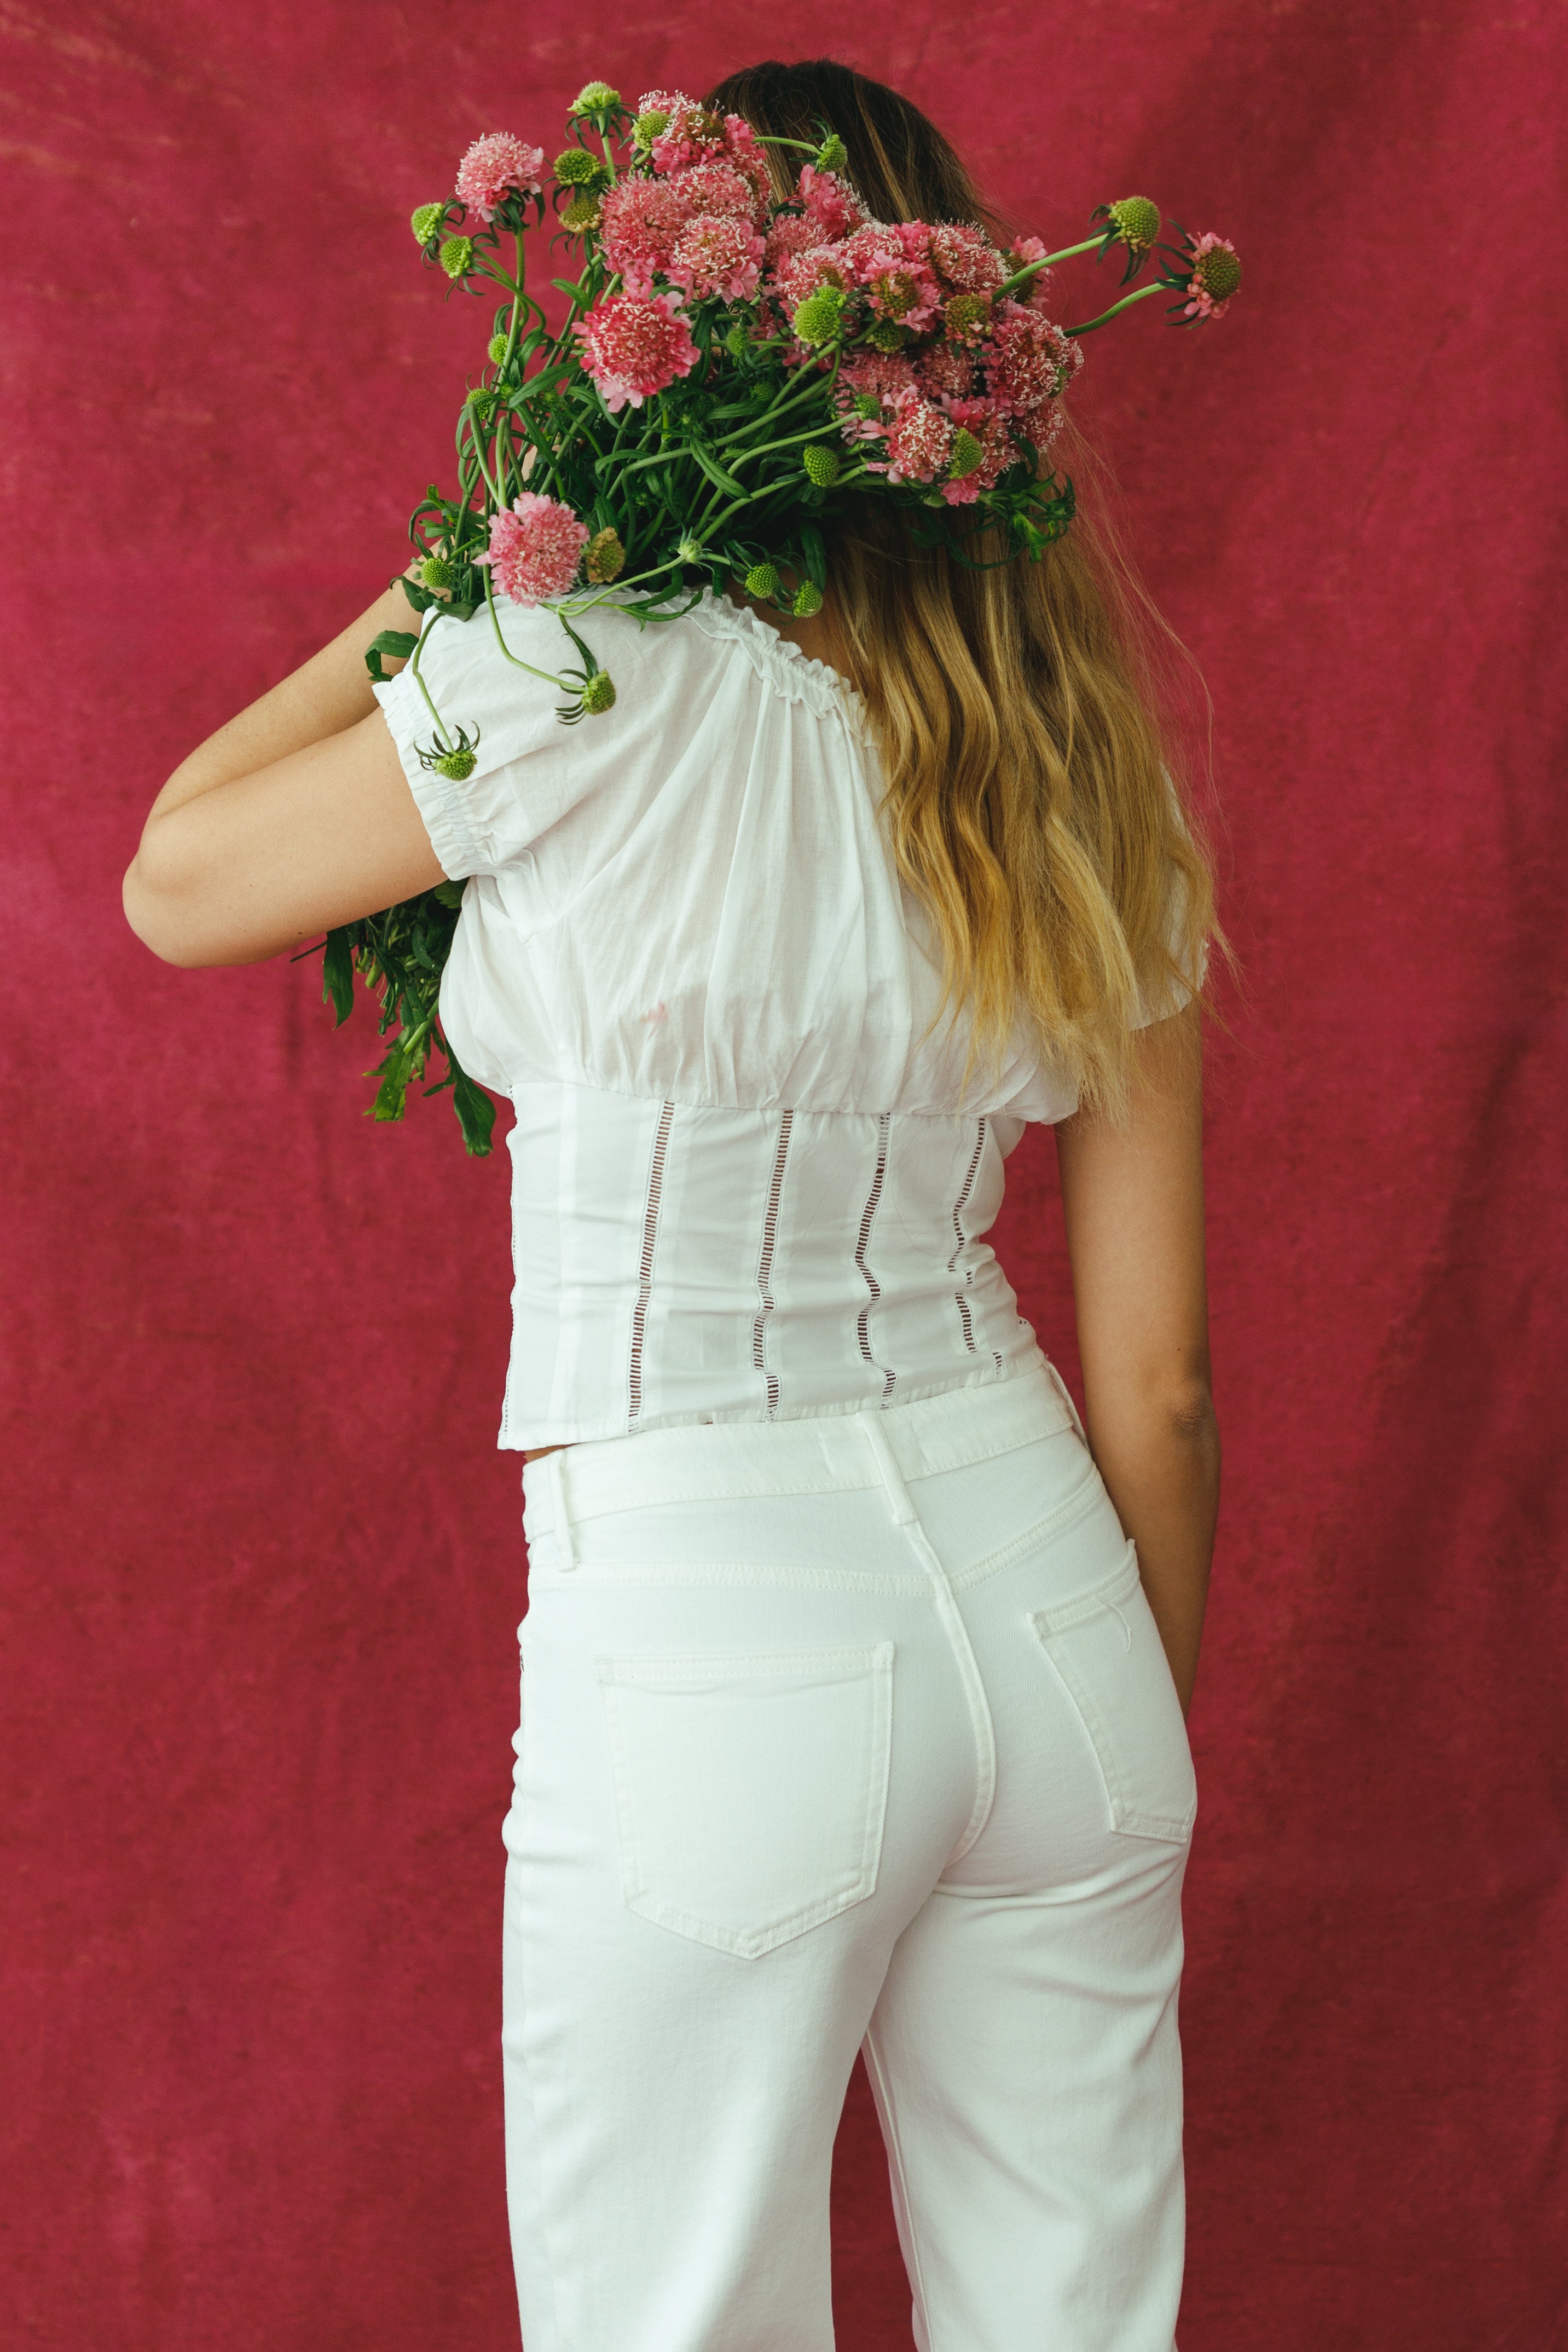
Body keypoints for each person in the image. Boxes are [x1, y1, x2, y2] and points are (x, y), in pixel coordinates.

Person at [123, 55, 1222, 2352]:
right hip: (1057, 1618)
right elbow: (1164, 1380)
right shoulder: (1091, 764)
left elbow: (179, 869)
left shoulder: (571, 666)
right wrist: (1123, 1751)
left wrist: (469, 555)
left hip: (713, 1618)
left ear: (699, 335)